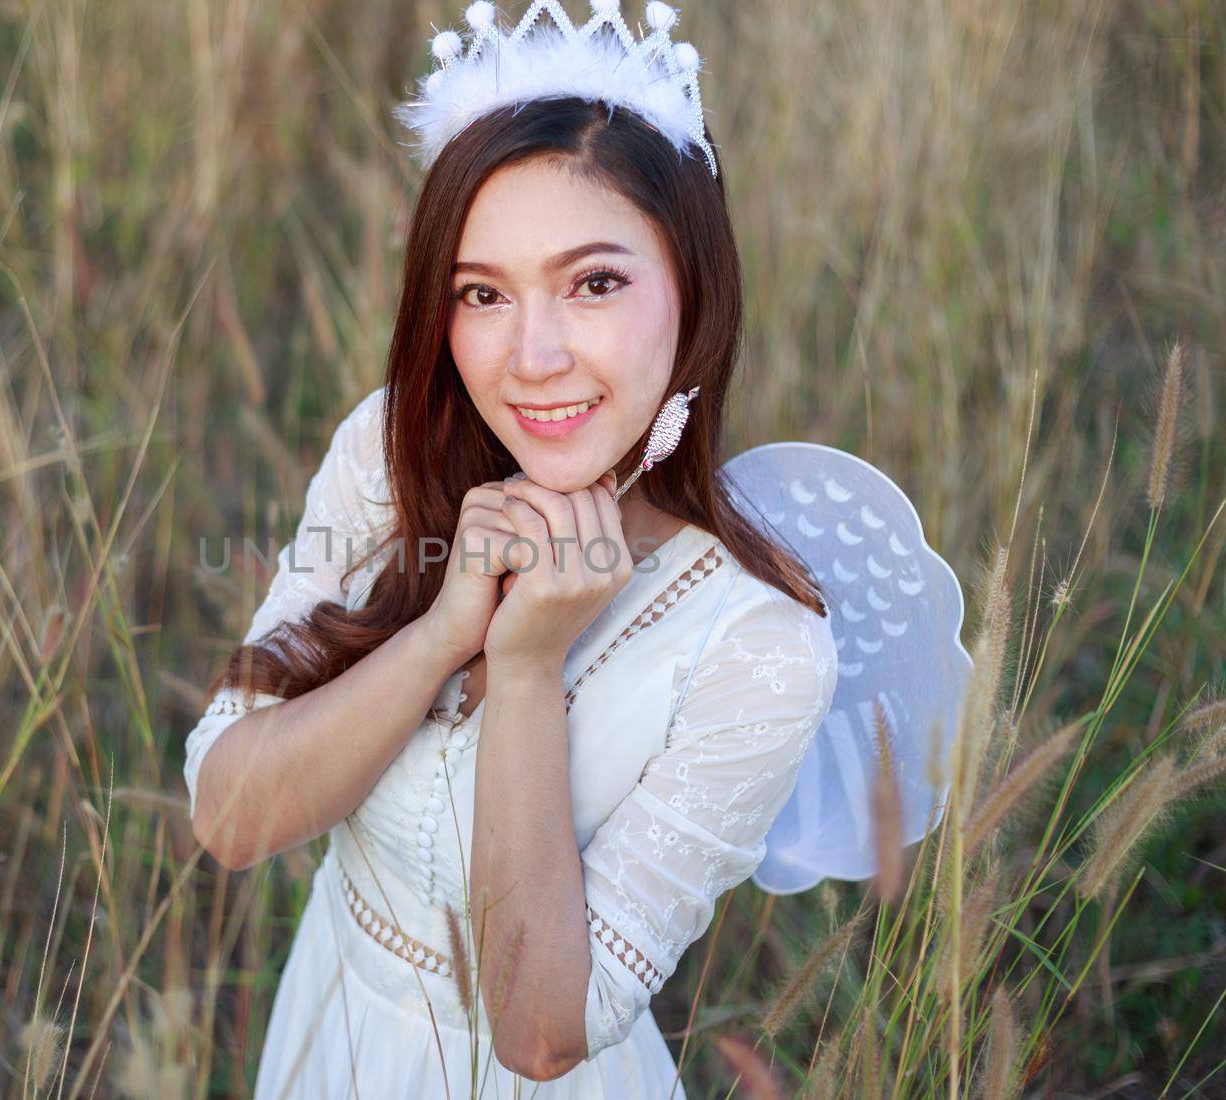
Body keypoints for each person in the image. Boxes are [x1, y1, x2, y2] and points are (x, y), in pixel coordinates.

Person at [182, 3, 967, 1096]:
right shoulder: (389, 449)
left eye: (595, 282)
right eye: (482, 293)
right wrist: (444, 631)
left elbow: (540, 1029)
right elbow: (227, 817)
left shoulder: (761, 645)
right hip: (330, 1044)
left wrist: (525, 663)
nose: (532, 356)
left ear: (692, 290)